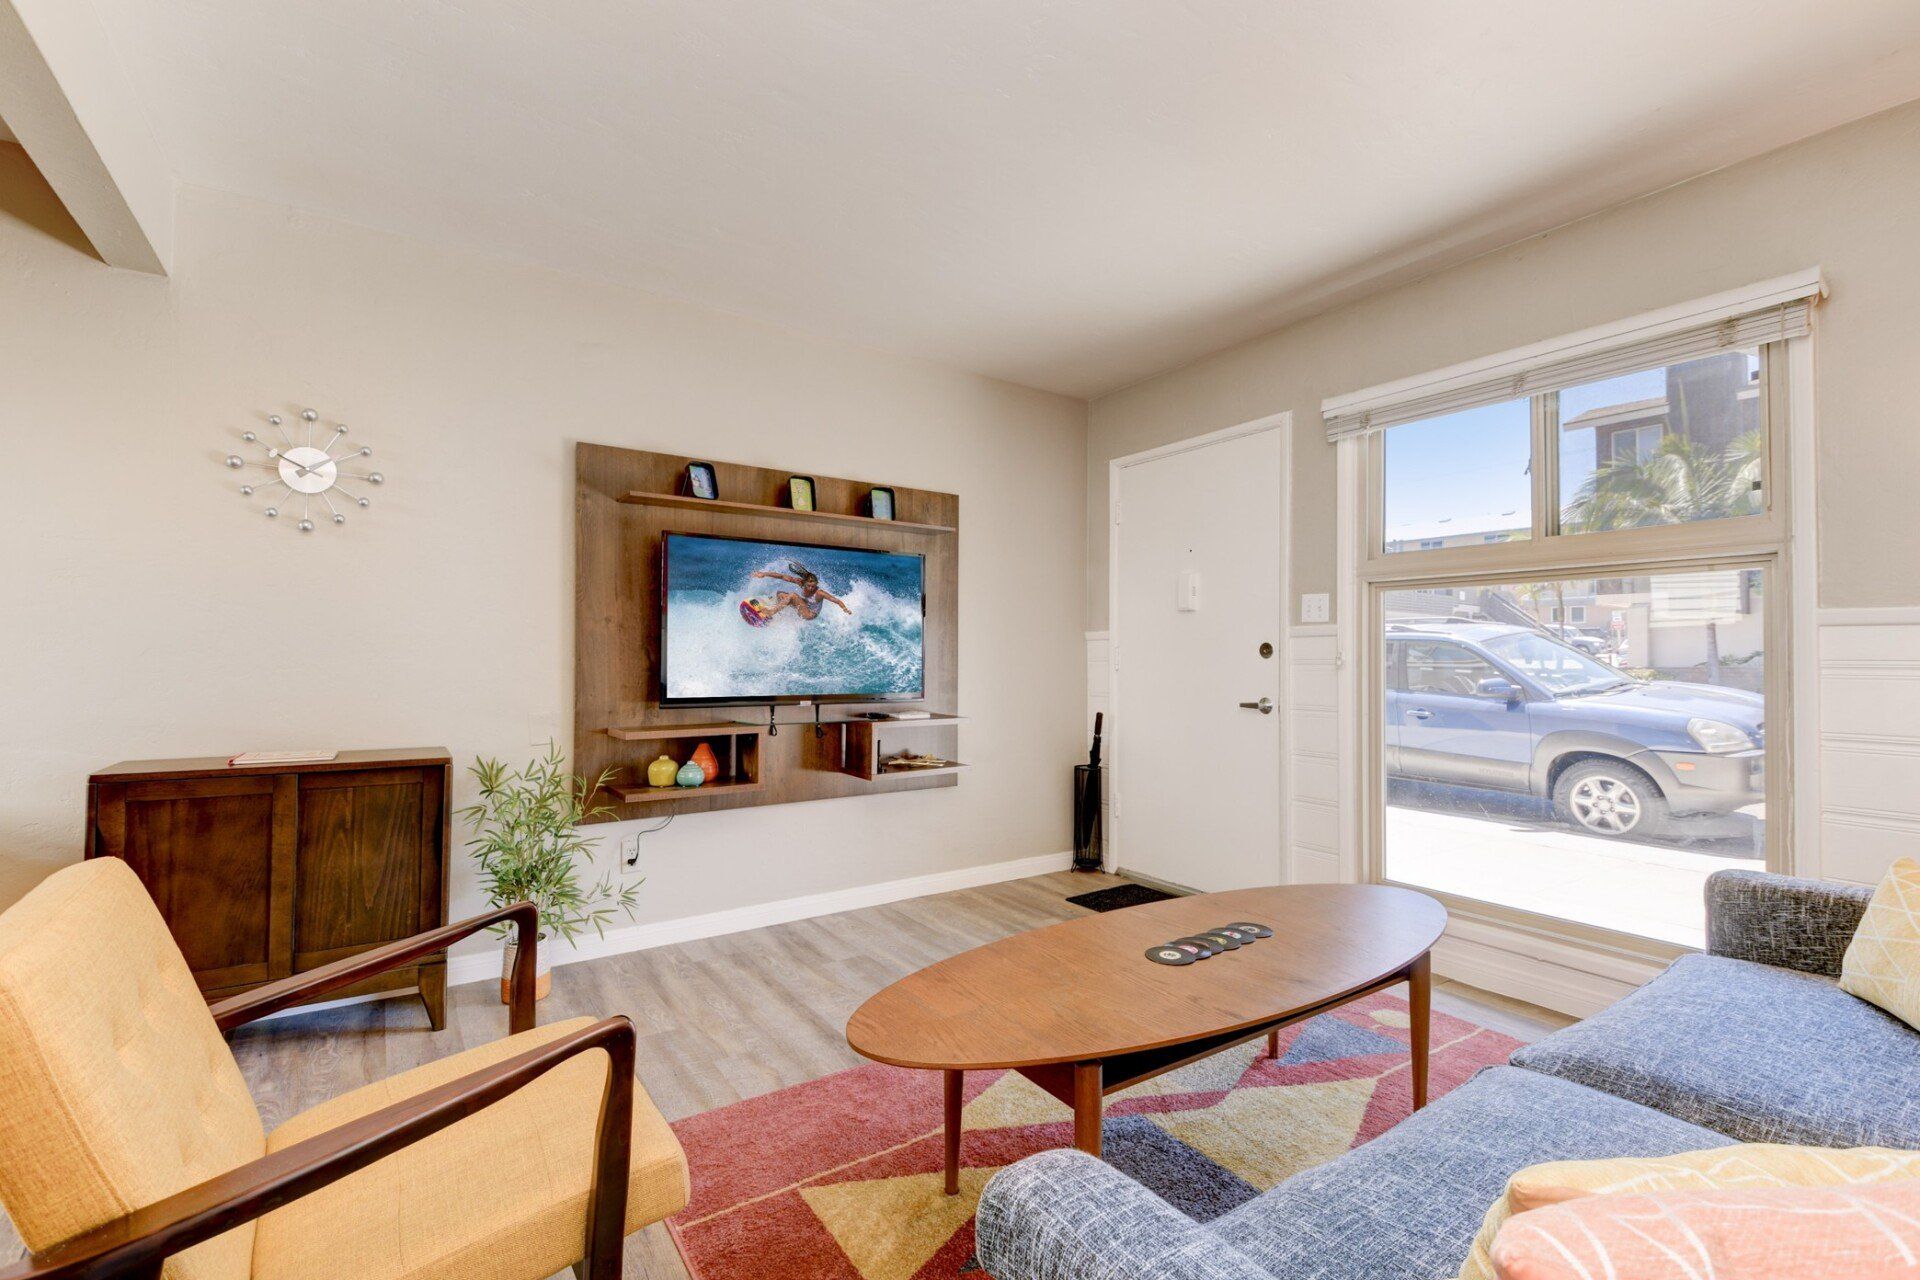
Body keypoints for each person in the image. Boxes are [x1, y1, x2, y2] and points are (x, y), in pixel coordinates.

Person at [752, 562, 851, 621]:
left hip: (810, 614)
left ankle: (771, 612)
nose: (811, 588)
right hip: (803, 607)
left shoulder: (819, 593)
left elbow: (836, 600)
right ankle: (776, 615)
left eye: (814, 586)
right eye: (809, 586)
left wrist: (845, 608)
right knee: (780, 594)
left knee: (793, 596)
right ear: (804, 582)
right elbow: (781, 576)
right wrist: (763, 574)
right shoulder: (800, 583)